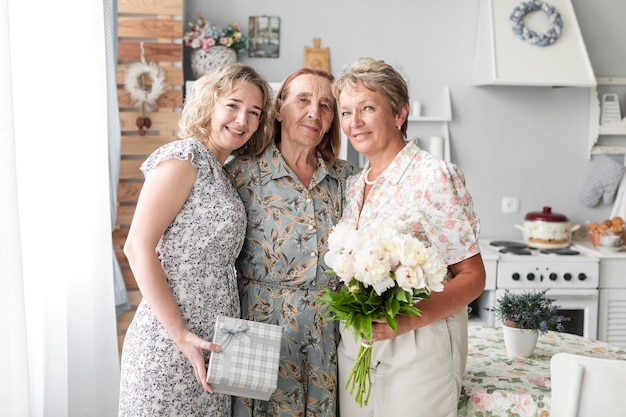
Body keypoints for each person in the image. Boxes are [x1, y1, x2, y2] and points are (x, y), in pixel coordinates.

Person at [331, 57, 486, 417]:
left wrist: (409, 320)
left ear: (400, 113)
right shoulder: (354, 184)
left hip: (419, 346)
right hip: (359, 345)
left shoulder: (433, 177)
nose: (354, 123)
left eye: (367, 108)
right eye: (346, 112)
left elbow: (473, 276)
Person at [118, 63, 274, 417]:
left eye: (254, 112)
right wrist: (181, 336)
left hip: (210, 348)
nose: (242, 120)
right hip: (171, 341)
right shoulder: (184, 158)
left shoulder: (222, 172)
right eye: (232, 105)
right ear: (209, 103)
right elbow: (137, 247)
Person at [225, 67, 354, 417]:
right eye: (303, 100)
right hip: (258, 331)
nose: (315, 112)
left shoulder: (347, 180)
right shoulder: (241, 173)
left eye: (326, 106)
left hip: (326, 337)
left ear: (331, 121)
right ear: (279, 110)